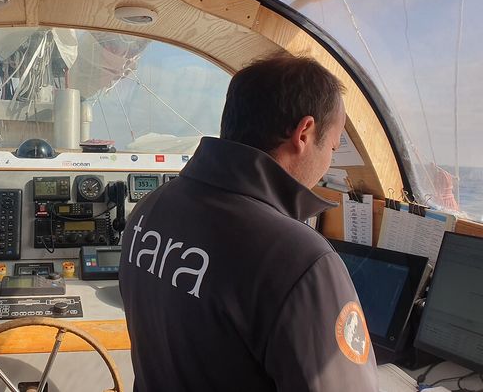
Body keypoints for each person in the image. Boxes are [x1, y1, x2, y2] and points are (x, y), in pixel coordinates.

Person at [118, 55, 378, 391]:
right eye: (332, 146)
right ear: (304, 132)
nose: (328, 162)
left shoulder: (151, 208)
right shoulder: (300, 259)